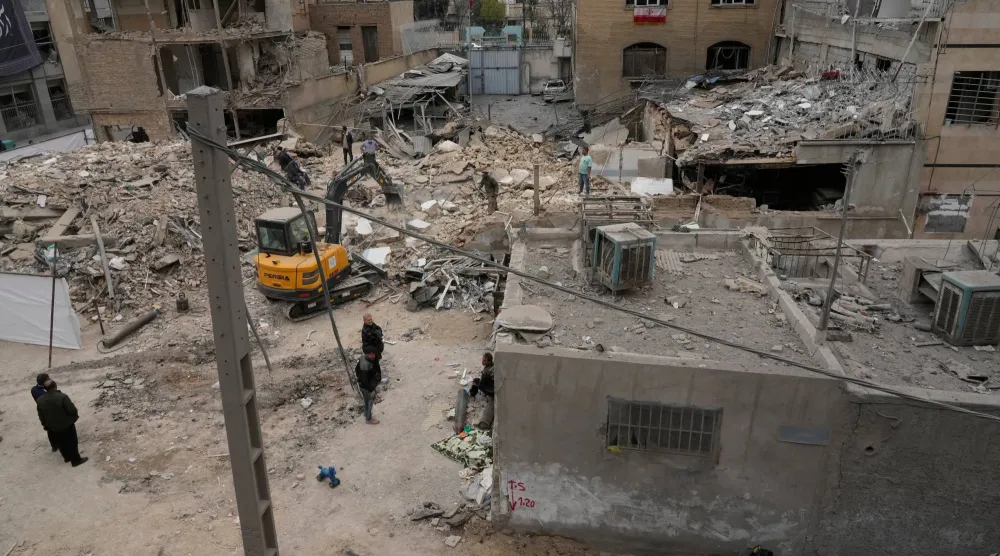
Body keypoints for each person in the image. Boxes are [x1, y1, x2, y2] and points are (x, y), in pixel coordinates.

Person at [36, 380, 88, 466]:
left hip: (52, 427)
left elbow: (40, 415)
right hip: (66, 424)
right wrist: (74, 416)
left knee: (60, 442)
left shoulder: (40, 400)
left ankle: (67, 457)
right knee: (72, 442)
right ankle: (76, 460)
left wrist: (45, 425)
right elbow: (72, 410)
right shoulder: (62, 397)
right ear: (55, 386)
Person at [31, 373, 59, 453]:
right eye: (48, 379)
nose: (50, 380)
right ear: (44, 381)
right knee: (55, 428)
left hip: (43, 412)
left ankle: (54, 446)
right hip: (50, 411)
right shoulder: (44, 391)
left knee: (49, 430)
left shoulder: (34, 389)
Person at [355, 346, 382, 425]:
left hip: (369, 384)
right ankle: (368, 419)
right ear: (367, 354)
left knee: (367, 401)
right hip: (366, 387)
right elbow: (364, 381)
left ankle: (366, 413)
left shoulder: (365, 358)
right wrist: (370, 390)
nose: (373, 355)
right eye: (371, 354)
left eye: (373, 353)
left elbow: (356, 370)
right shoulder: (365, 365)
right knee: (369, 401)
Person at [468, 352, 495, 430]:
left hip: (489, 390)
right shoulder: (490, 366)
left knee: (476, 382)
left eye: (485, 361)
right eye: (483, 360)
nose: (483, 362)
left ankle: (472, 394)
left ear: (489, 361)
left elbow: (484, 382)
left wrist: (482, 387)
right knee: (476, 380)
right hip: (489, 386)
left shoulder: (489, 371)